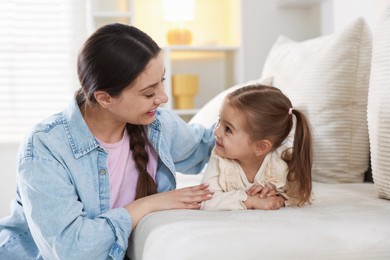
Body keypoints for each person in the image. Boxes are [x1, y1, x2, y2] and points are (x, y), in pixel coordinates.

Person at [0, 24, 216, 260]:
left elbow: (209, 145)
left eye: (161, 80)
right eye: (148, 92)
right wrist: (146, 205)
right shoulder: (45, 148)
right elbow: (72, 250)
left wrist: (257, 110)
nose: (163, 97)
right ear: (104, 98)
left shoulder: (158, 126)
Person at [201, 84, 312, 211]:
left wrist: (278, 199)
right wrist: (250, 201)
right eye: (219, 121)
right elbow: (205, 201)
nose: (216, 131)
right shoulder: (220, 159)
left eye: (228, 129)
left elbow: (301, 195)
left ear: (260, 147)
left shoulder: (281, 162)